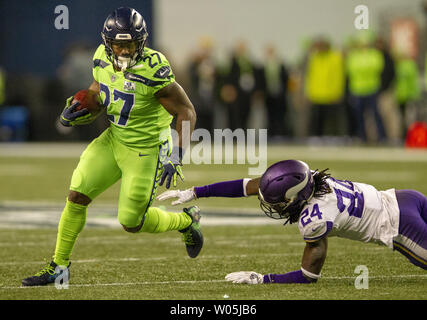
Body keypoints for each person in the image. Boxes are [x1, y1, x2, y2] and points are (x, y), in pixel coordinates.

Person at [22, 7, 203, 287]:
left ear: (141, 42)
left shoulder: (154, 69)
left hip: (146, 149)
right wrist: (80, 104)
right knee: (76, 194)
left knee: (132, 222)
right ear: (108, 44)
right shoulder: (100, 57)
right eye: (118, 45)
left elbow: (187, 112)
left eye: (130, 44)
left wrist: (177, 153)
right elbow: (98, 91)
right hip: (115, 138)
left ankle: (186, 222)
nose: (124, 51)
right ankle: (59, 266)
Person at [157, 159, 427, 284]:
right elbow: (247, 186)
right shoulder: (307, 176)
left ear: (295, 199)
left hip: (399, 226)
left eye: (277, 203)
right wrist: (194, 192)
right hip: (405, 197)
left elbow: (309, 275)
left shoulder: (315, 218)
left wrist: (263, 279)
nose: (272, 206)